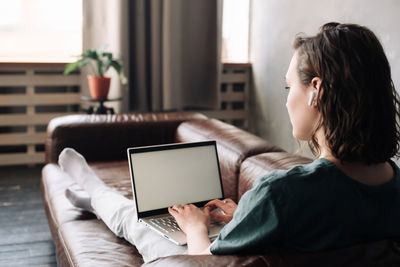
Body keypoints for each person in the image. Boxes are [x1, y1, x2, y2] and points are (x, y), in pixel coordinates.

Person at [59, 22, 400, 262]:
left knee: (138, 222)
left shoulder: (282, 193)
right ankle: (93, 195)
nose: (285, 100)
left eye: (288, 87)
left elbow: (205, 260)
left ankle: (94, 191)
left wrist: (195, 228)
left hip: (195, 256)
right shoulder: (394, 184)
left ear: (316, 90)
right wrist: (247, 217)